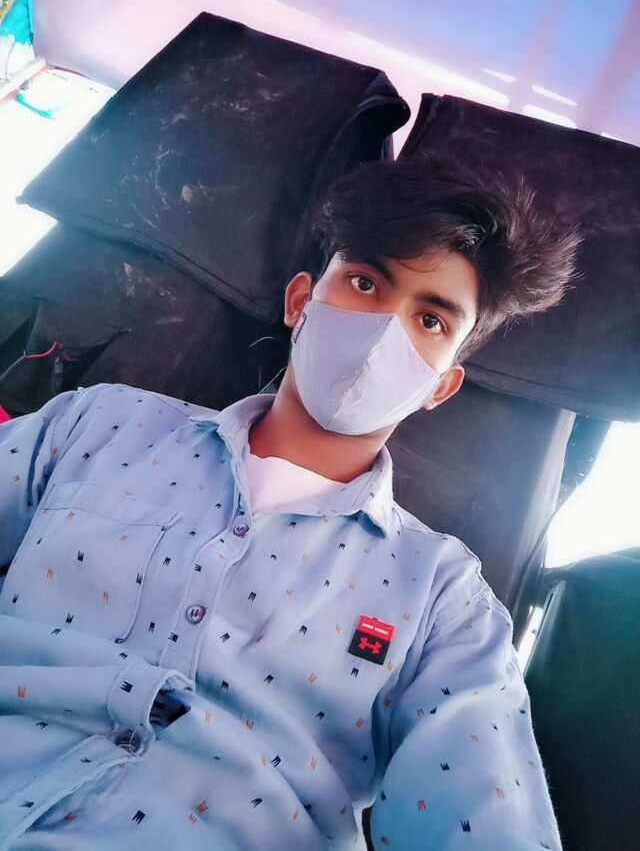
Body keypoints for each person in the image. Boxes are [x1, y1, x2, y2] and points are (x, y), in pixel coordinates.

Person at [0, 152, 581, 850]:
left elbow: (486, 820)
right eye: (365, 282)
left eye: (430, 321)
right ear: (300, 301)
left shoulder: (444, 599)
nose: (384, 330)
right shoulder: (99, 424)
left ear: (441, 386)